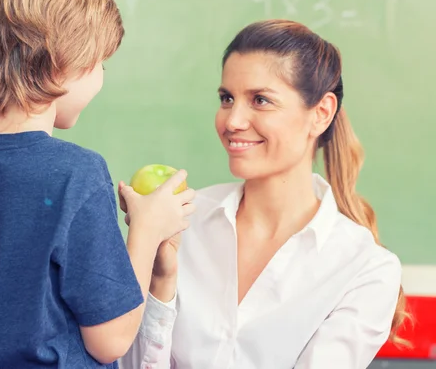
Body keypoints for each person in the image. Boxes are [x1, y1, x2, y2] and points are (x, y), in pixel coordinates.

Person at [0, 0, 196, 368]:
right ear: (66, 63)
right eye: (100, 63)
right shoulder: (78, 175)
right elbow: (111, 340)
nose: (101, 75)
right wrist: (147, 230)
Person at [118, 19, 407, 369]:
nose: (233, 121)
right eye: (227, 98)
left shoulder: (365, 268)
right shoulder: (182, 221)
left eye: (260, 100)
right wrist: (160, 279)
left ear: (321, 113)